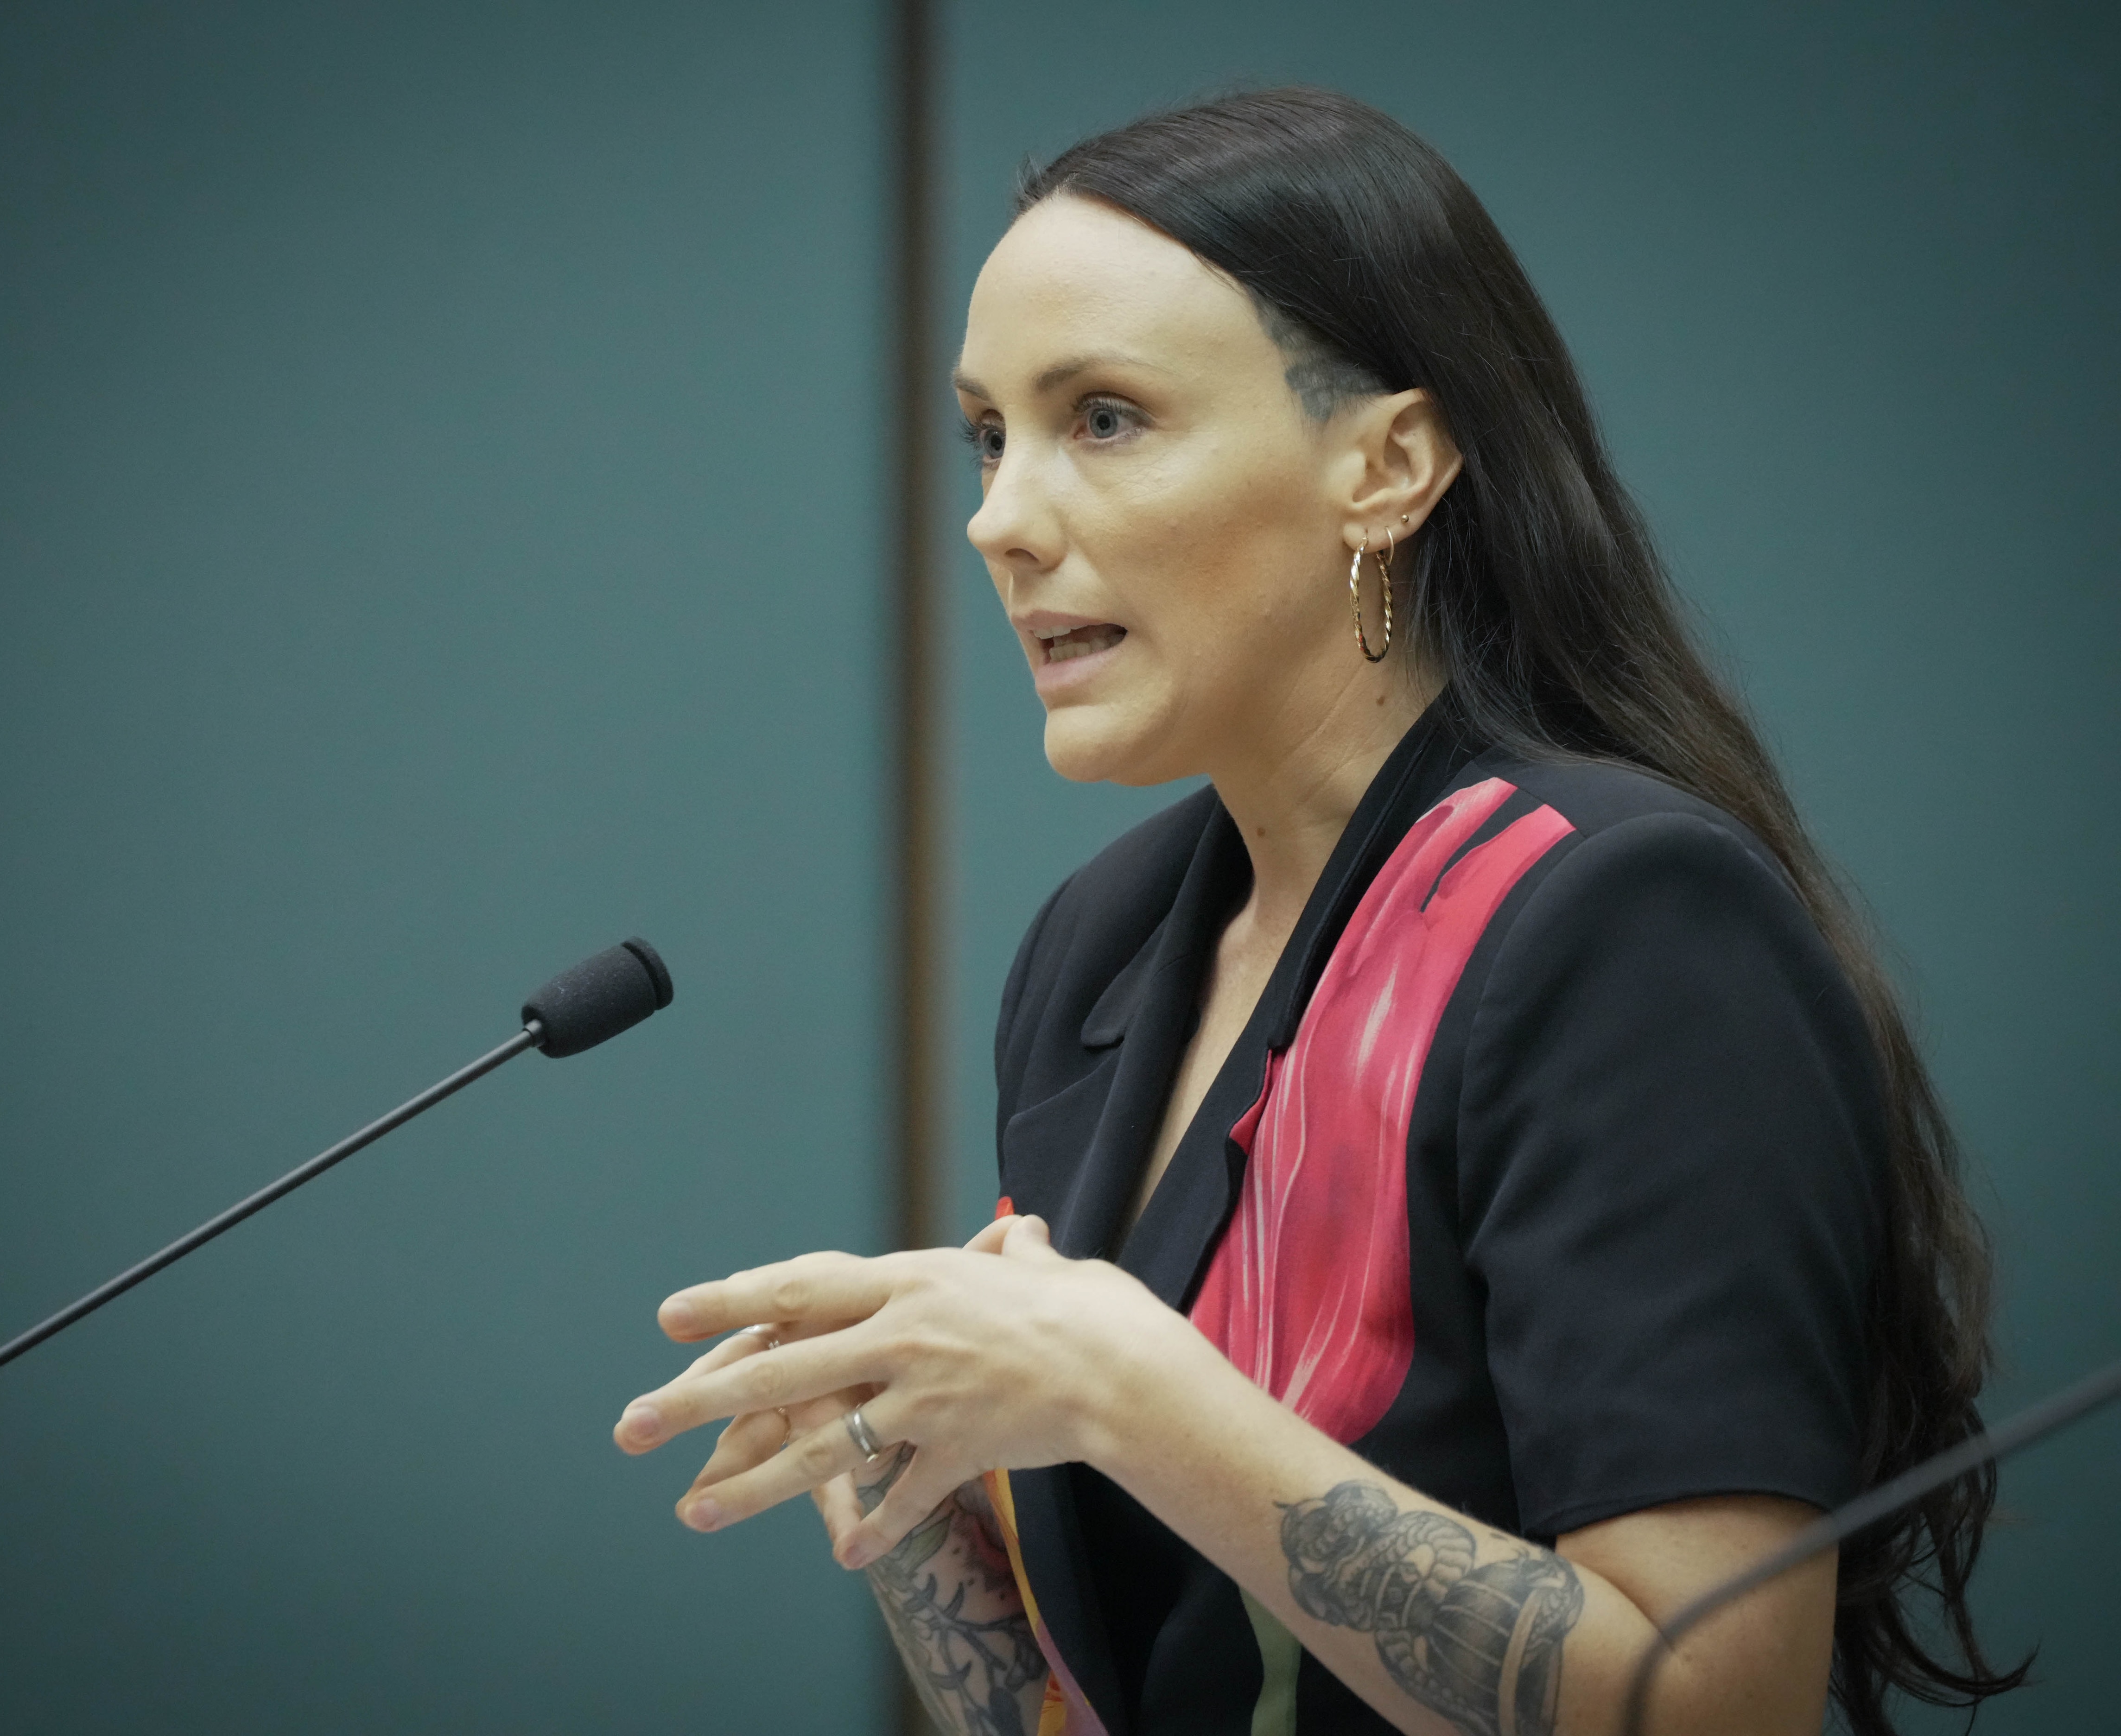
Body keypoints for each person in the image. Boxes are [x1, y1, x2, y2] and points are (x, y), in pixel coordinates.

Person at [613, 89, 2022, 1736]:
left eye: (1108, 418)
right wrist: (908, 1468)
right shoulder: (1104, 948)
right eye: (990, 433)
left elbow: (1716, 1706)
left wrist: (1125, 1389)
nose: (1002, 515)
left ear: (1388, 467)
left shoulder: (1619, 919)